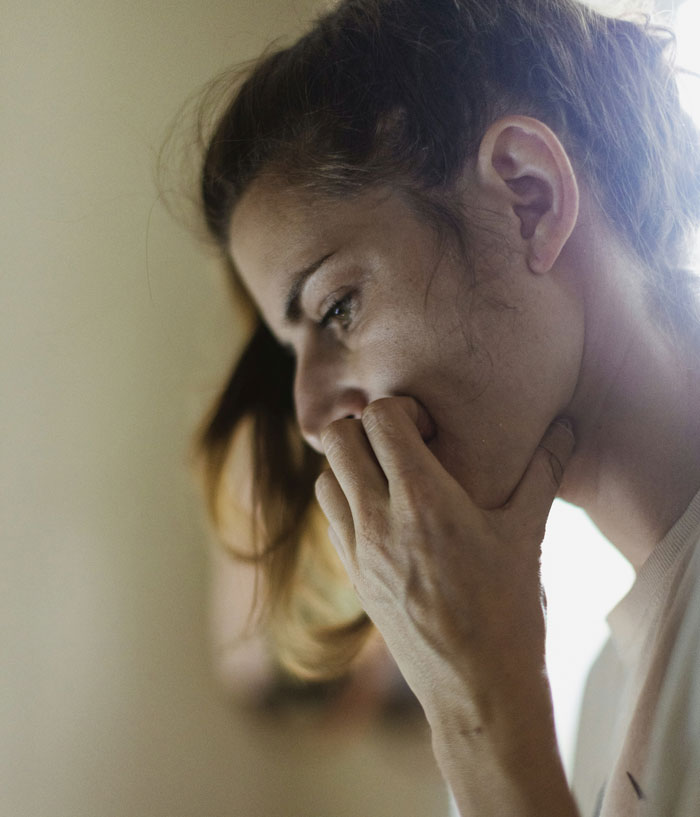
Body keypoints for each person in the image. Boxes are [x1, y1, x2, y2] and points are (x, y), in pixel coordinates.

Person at [189, 0, 700, 814]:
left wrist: (478, 715)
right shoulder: (614, 686)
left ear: (527, 198)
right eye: (297, 353)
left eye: (336, 309)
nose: (314, 414)